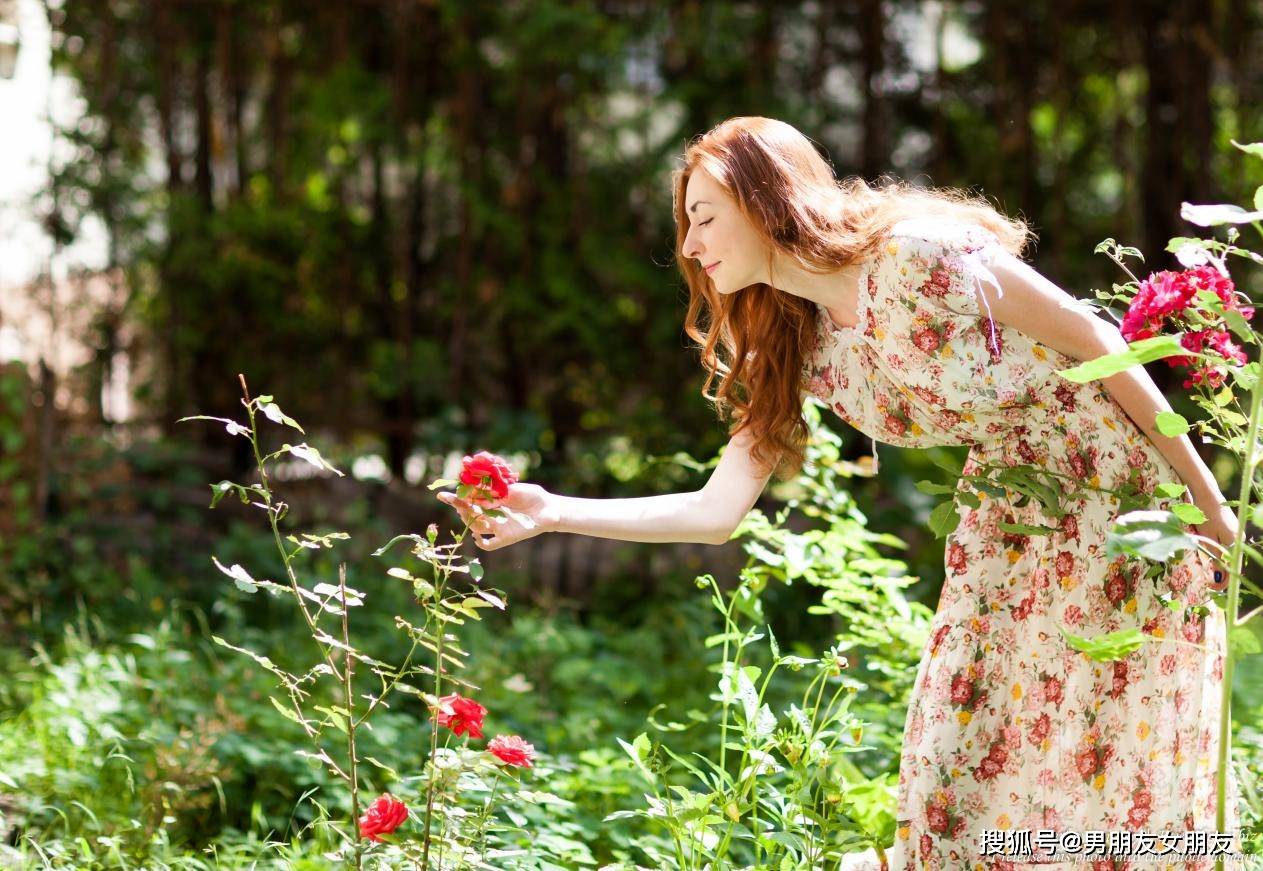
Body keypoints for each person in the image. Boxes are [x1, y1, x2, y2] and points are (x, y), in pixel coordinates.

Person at [438, 116, 1242, 869]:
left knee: (1099, 752)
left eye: (704, 217)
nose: (688, 243)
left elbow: (1096, 339)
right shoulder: (795, 342)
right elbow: (715, 512)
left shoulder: (917, 254)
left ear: (763, 201)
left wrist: (1207, 505)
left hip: (1114, 495)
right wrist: (551, 512)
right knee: (955, 765)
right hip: (1006, 517)